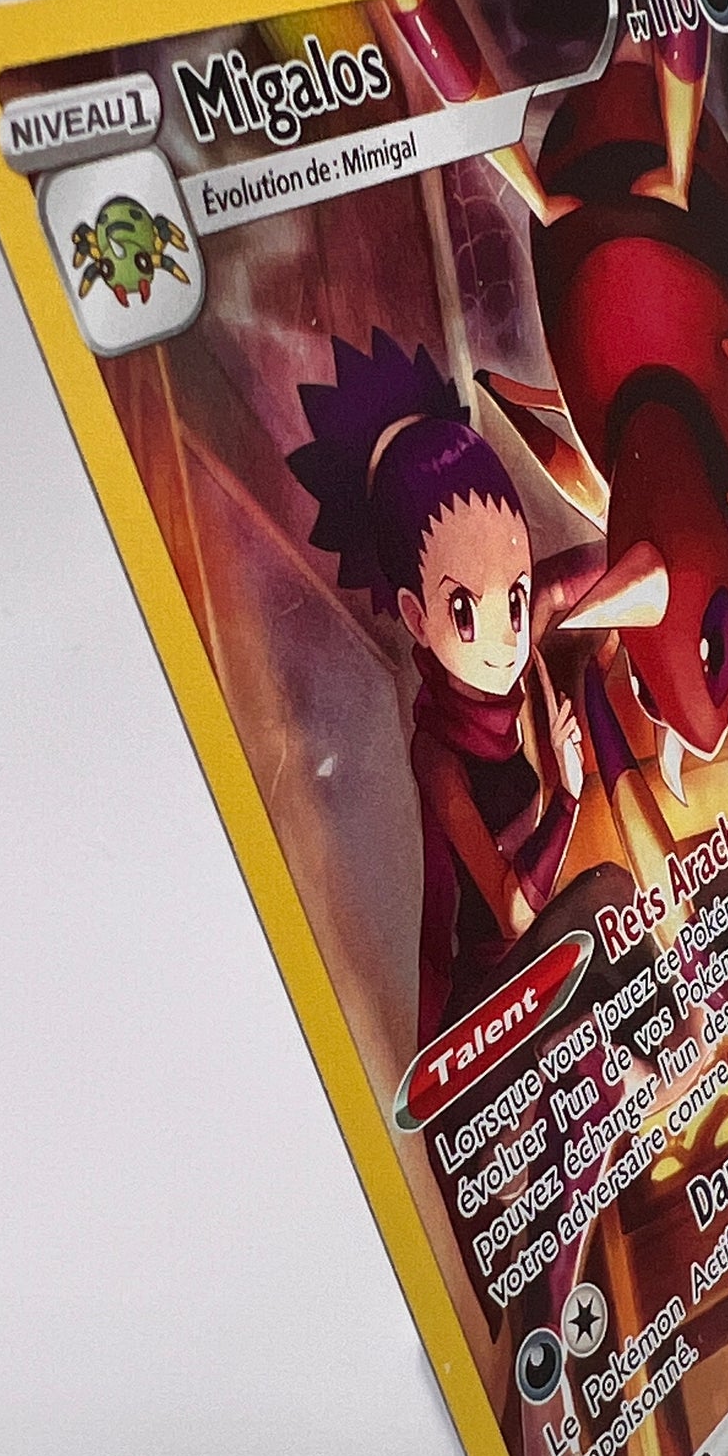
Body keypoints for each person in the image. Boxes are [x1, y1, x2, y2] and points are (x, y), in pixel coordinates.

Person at [289, 331, 587, 1042]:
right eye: (465, 612)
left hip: (538, 967)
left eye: (513, 599)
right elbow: (513, 911)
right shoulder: (438, 755)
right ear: (417, 617)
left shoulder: (506, 675)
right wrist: (568, 796)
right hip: (483, 1010)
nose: (504, 639)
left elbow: (584, 571)